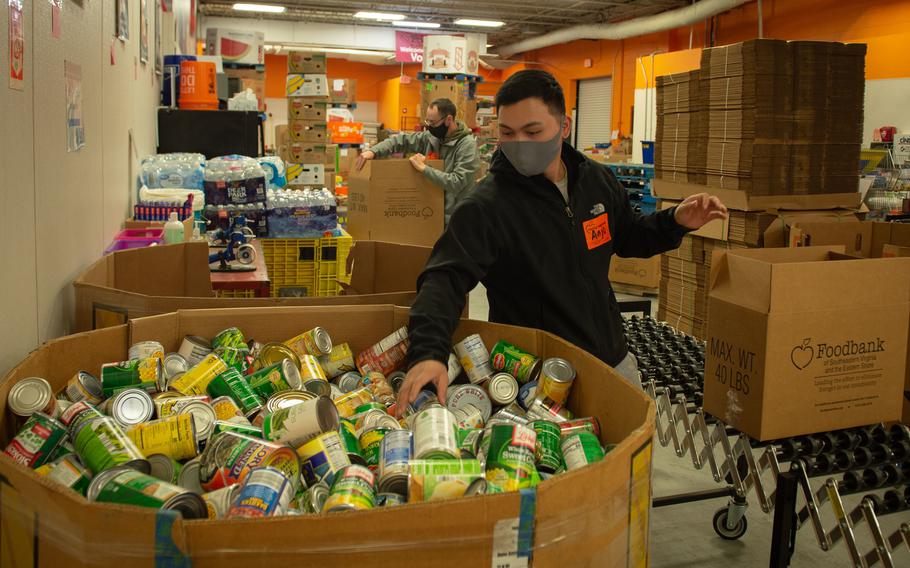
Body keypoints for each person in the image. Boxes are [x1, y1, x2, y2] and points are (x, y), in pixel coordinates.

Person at [395, 70, 728, 415]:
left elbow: (629, 237)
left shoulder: (596, 181)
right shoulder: (487, 208)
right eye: (507, 132)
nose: (520, 143)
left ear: (564, 127)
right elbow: (444, 280)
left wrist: (674, 221)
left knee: (632, 461)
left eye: (533, 131)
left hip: (613, 359)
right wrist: (428, 353)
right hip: (539, 380)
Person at [356, 98, 480, 225]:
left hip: (456, 221)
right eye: (427, 121)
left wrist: (424, 169)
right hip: (431, 215)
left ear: (448, 120)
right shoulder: (432, 137)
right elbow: (401, 140)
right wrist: (373, 151)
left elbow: (457, 182)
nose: (429, 127)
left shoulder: (467, 146)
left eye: (433, 122)